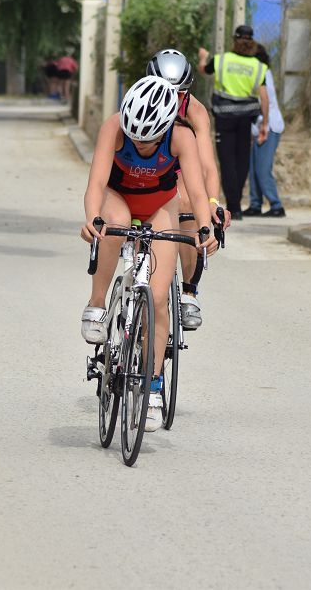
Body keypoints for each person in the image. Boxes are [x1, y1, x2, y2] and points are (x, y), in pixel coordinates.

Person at [80, 76, 218, 432]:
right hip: (118, 197)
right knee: (115, 222)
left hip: (160, 204)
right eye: (136, 138)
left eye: (149, 140)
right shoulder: (114, 127)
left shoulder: (181, 137)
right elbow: (96, 183)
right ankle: (97, 302)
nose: (141, 146)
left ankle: (153, 388)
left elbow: (198, 193)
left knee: (158, 299)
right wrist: (92, 219)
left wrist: (205, 227)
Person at [145, 48, 229, 330]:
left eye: (179, 92)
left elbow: (207, 166)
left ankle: (189, 292)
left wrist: (213, 202)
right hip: (148, 165)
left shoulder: (194, 111)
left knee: (192, 203)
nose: (172, 98)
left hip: (182, 165)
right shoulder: (140, 101)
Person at [197, 25, 269, 220]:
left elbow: (203, 70)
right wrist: (265, 124)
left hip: (224, 118)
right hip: (246, 119)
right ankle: (236, 202)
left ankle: (234, 206)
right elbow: (264, 97)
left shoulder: (221, 60)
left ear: (234, 40)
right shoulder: (258, 66)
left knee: (227, 161)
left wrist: (203, 56)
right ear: (252, 41)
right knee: (242, 160)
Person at [245, 46, 286, 217]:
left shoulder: (263, 73)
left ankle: (276, 205)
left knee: (262, 168)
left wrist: (264, 126)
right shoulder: (256, 73)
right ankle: (255, 204)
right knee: (254, 168)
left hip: (269, 127)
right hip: (259, 128)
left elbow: (266, 100)